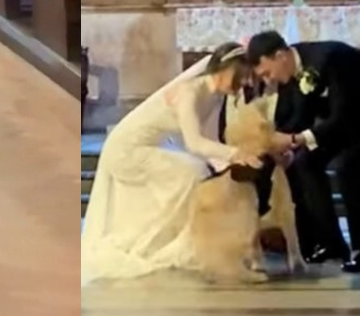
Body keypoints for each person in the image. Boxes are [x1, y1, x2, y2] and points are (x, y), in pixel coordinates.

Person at [81, 42, 266, 284]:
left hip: (151, 146)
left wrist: (224, 163)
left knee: (198, 173)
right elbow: (194, 142)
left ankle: (185, 244)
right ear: (224, 68)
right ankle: (174, 246)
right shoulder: (190, 92)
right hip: (127, 150)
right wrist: (234, 154)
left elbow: (205, 140)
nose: (245, 84)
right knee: (190, 173)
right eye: (240, 77)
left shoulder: (212, 97)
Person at [246, 31, 360, 273]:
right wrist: (280, 146)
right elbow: (297, 117)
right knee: (306, 163)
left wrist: (296, 139)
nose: (268, 80)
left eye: (267, 73)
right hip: (350, 117)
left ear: (280, 56)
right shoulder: (292, 70)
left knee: (347, 166)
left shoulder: (330, 58)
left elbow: (343, 116)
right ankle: (331, 243)